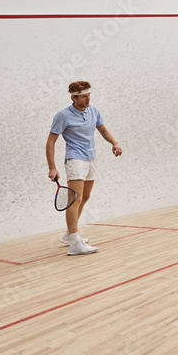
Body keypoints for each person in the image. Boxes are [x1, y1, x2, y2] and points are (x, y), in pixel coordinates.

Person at [46, 81, 122, 255]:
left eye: (89, 95)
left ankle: (68, 235)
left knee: (85, 196)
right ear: (73, 97)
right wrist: (52, 167)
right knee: (75, 199)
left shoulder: (93, 110)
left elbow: (102, 129)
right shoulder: (62, 115)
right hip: (75, 159)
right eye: (83, 96)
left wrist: (114, 143)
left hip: (91, 159)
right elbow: (51, 141)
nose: (88, 99)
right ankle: (75, 243)